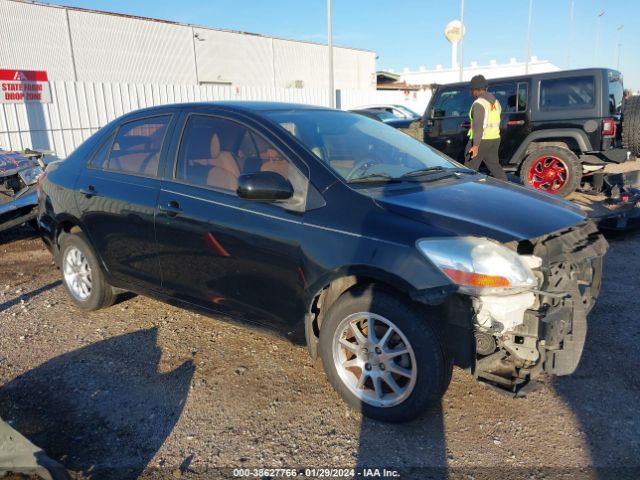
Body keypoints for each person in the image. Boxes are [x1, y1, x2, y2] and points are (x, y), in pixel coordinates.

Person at [465, 74, 507, 181]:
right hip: (494, 139)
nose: (471, 93)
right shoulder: (495, 102)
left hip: (480, 140)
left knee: (469, 167)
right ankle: (506, 187)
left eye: (472, 90)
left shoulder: (479, 103)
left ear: (476, 90)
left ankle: (468, 193)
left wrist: (475, 146)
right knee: (494, 165)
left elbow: (478, 126)